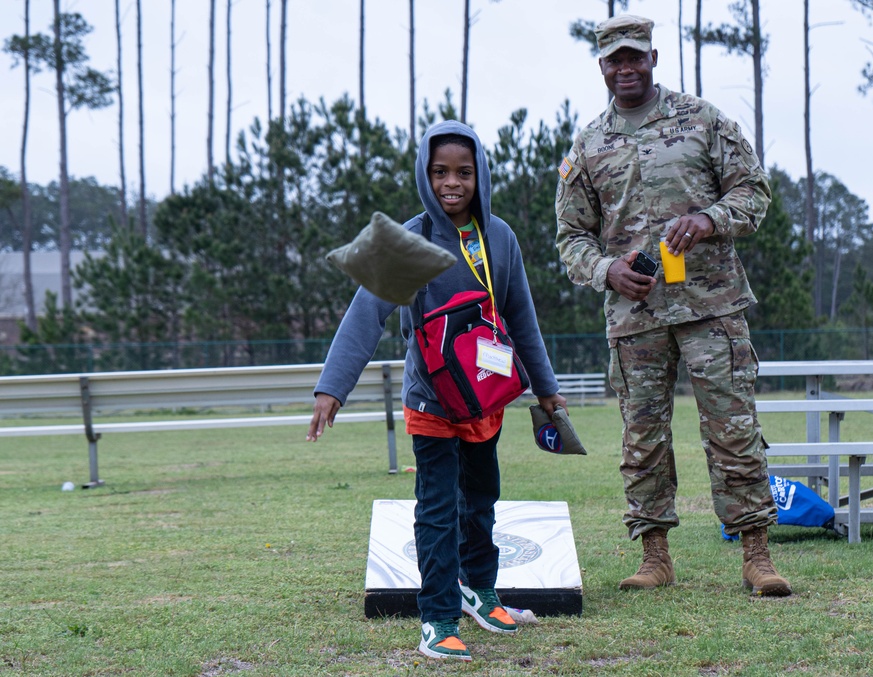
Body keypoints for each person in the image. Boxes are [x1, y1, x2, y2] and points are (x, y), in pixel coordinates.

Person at [308, 119, 568, 661]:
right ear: (426, 175)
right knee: (437, 509)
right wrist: (333, 387)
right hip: (431, 400)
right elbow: (366, 311)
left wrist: (547, 390)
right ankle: (439, 617)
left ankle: (480, 589)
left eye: (464, 172)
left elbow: (521, 316)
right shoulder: (409, 239)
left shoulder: (500, 236)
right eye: (440, 172)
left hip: (486, 399)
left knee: (481, 502)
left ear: (481, 176)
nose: (453, 183)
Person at [554, 14, 791, 597]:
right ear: (602, 68)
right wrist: (606, 270)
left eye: (636, 56)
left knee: (733, 430)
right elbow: (570, 238)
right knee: (643, 438)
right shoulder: (588, 146)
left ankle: (756, 557)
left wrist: (709, 218)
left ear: (654, 59)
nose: (626, 68)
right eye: (615, 60)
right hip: (635, 319)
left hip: (712, 306)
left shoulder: (701, 120)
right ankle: (655, 557)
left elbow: (753, 191)